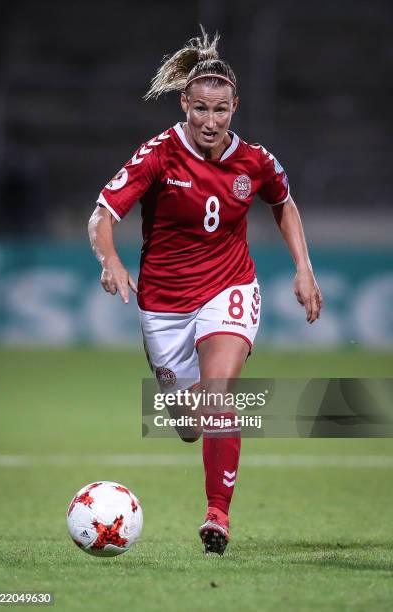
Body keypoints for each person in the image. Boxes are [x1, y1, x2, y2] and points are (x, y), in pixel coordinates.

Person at [88, 28, 322, 555]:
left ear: (235, 106)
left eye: (220, 110)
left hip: (230, 285)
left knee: (219, 398)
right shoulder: (158, 155)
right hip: (165, 306)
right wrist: (111, 261)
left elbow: (283, 202)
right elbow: (102, 215)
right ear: (184, 104)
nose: (210, 122)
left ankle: (217, 514)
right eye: (200, 109)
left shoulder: (254, 160)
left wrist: (303, 268)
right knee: (192, 426)